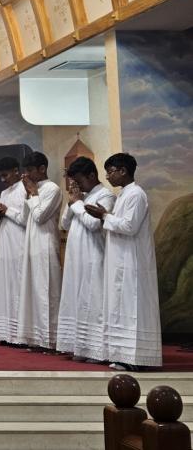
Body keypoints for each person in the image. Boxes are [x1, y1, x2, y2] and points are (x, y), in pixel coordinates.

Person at [85, 153, 162, 370]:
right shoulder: (124, 195)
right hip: (120, 260)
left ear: (123, 171)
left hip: (132, 262)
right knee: (121, 308)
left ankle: (136, 359)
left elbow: (129, 226)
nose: (108, 176)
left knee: (132, 308)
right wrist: (105, 216)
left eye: (110, 171)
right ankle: (122, 355)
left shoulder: (136, 194)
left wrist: (104, 216)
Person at [56, 156, 115, 362]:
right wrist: (72, 202)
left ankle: (97, 350)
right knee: (76, 298)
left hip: (93, 255)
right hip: (75, 256)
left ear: (91, 175)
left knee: (94, 300)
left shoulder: (106, 195)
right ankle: (79, 347)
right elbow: (64, 224)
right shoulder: (81, 197)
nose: (77, 185)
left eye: (79, 180)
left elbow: (94, 224)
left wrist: (78, 204)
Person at [14, 152, 63, 350]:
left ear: (42, 169)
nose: (26, 175)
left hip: (45, 244)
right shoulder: (32, 189)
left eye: (30, 170)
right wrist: (29, 194)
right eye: (25, 171)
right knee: (33, 290)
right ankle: (34, 337)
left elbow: (41, 216)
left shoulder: (53, 189)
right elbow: (26, 218)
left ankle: (50, 339)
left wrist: (33, 194)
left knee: (47, 291)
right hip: (31, 243)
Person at [0, 156, 28, 344]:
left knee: (18, 284)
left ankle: (20, 334)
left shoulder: (25, 189)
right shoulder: (4, 193)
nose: (3, 179)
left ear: (16, 171)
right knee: (6, 285)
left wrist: (7, 211)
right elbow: (3, 217)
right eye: (0, 176)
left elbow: (26, 219)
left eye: (5, 175)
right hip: (5, 242)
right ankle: (6, 332)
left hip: (19, 242)